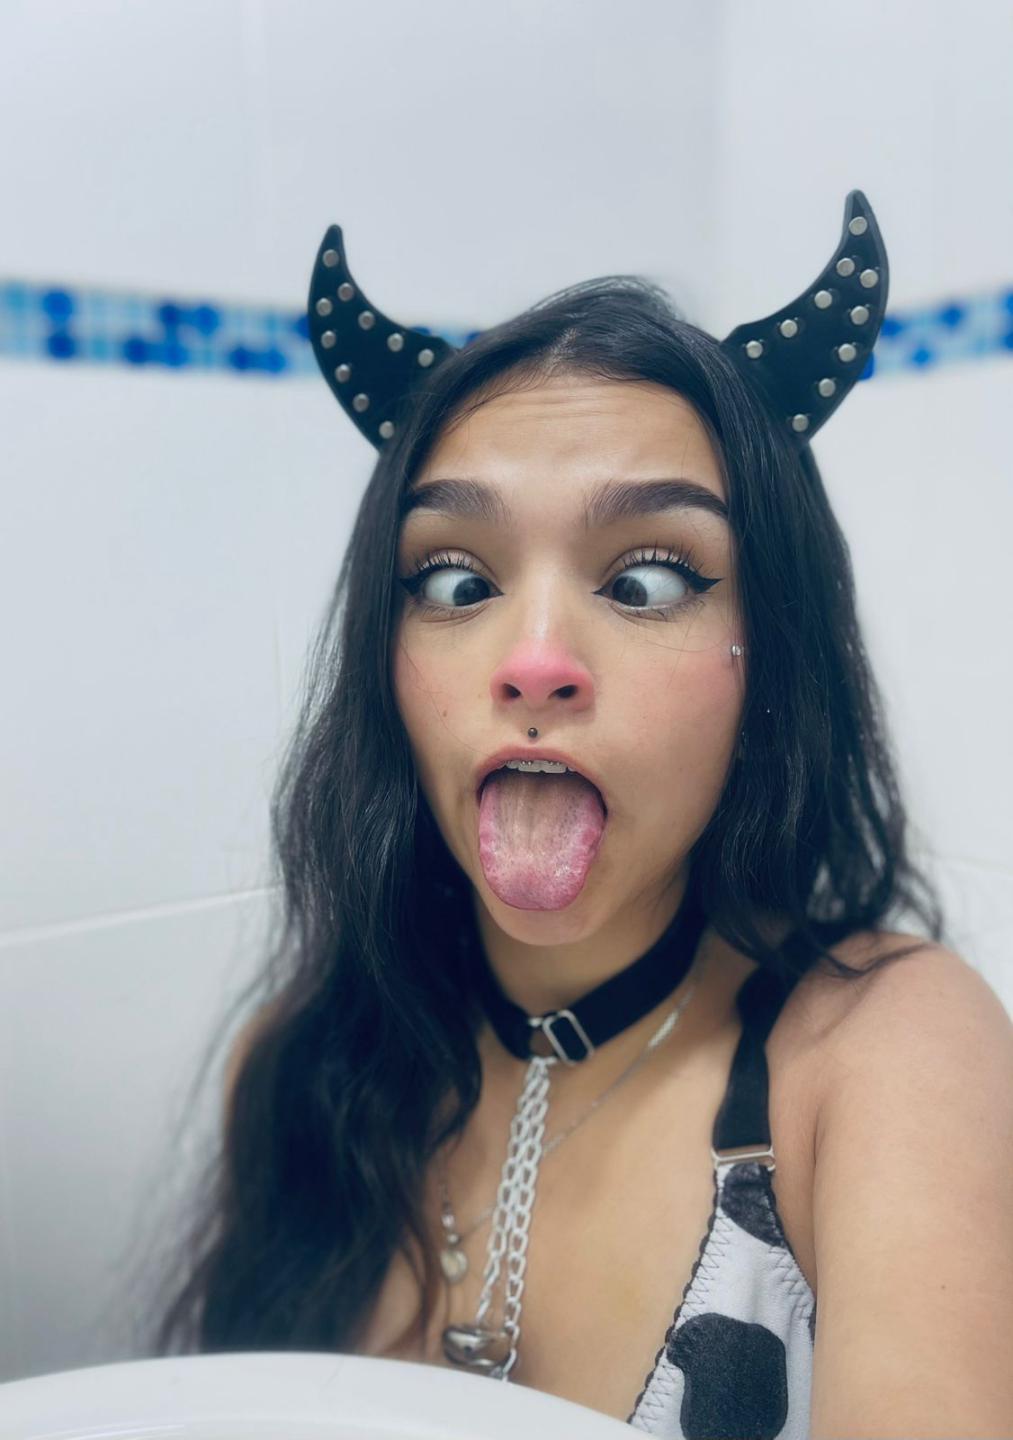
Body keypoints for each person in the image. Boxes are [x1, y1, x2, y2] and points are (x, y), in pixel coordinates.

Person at [146, 193, 1013, 1438]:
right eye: (456, 581)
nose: (535, 660)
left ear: (770, 655)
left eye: (646, 581)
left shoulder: (877, 1057)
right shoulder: (300, 1072)